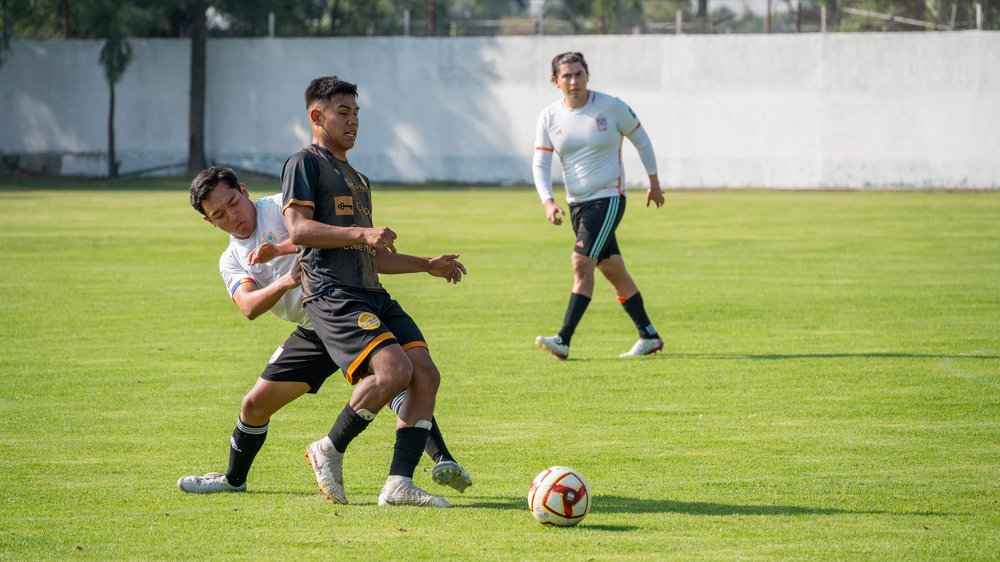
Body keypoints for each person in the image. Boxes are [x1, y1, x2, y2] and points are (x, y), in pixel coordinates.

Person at [177, 166, 471, 502]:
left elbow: (359, 254)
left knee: (401, 376)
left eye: (233, 202)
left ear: (244, 190)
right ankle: (233, 480)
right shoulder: (231, 259)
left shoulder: (285, 209)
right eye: (219, 214)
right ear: (209, 222)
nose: (233, 216)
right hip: (311, 330)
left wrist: (426, 263)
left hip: (345, 308)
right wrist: (288, 280)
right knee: (253, 406)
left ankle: (424, 465)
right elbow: (248, 306)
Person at [281, 75, 457, 508]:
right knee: (394, 370)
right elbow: (298, 229)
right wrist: (361, 232)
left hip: (370, 290)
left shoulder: (357, 178)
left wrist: (426, 265)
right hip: (332, 293)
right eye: (343, 112)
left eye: (357, 112)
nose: (354, 121)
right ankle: (329, 448)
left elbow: (373, 254)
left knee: (426, 375)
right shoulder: (304, 163)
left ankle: (398, 484)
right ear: (316, 116)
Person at [532, 51, 665, 360]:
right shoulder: (549, 117)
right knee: (612, 270)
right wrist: (548, 201)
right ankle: (648, 335)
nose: (574, 80)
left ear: (587, 75)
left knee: (581, 264)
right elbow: (540, 162)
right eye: (567, 76)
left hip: (608, 199)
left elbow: (642, 140)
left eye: (579, 74)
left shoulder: (611, 107)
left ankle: (563, 340)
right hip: (576, 205)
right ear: (556, 81)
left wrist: (654, 184)